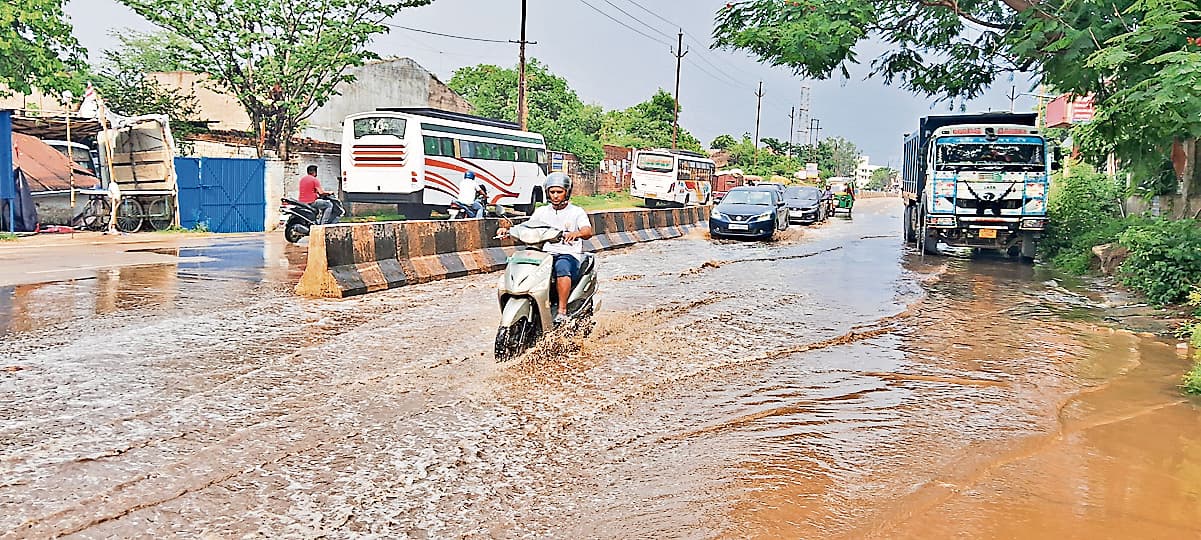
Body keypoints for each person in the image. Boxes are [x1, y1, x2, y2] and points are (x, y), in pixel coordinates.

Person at [506, 172, 593, 325]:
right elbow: (527, 226)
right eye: (552, 192)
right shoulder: (541, 212)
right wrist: (508, 230)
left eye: (559, 192)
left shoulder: (576, 212)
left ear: (567, 192)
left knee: (562, 268)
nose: (555, 196)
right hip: (544, 253)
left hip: (567, 253)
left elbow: (588, 231)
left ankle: (562, 311)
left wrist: (577, 233)